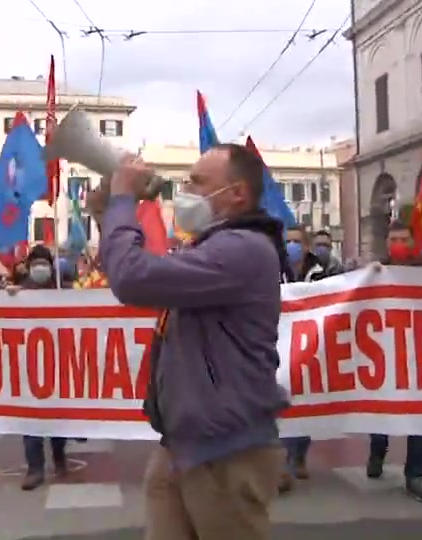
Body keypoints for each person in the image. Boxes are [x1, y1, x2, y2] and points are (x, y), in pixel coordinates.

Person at [93, 145, 288, 540]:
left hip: (226, 451)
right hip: (183, 442)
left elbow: (132, 277)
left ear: (237, 193)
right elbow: (125, 265)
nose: (185, 190)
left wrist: (122, 200)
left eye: (198, 182)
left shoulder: (243, 249)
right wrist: (109, 210)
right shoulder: (211, 247)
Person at [365, 220, 422, 504]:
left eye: (404, 238)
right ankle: (377, 451)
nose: (399, 244)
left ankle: (414, 475)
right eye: (394, 238)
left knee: (418, 417)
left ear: (412, 241)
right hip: (384, 353)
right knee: (381, 412)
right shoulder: (375, 272)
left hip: (419, 354)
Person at [278, 226, 343, 492]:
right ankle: (281, 463)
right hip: (279, 340)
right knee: (280, 401)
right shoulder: (274, 269)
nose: (292, 245)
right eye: (288, 241)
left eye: (296, 241)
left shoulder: (321, 273)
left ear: (306, 246)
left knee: (304, 397)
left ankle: (298, 455)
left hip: (312, 341)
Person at [5, 245, 71, 490]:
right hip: (28, 365)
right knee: (30, 418)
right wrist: (11, 297)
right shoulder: (21, 290)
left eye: (44, 263)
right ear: (29, 267)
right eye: (36, 264)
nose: (40, 268)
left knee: (57, 417)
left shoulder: (63, 289)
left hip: (58, 362)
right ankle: (34, 468)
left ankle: (59, 456)